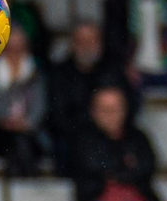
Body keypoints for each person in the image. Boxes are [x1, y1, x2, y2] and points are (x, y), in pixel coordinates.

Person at [73, 86, 167, 201]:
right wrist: (126, 168)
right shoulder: (84, 139)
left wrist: (115, 173)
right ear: (94, 112)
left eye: (115, 109)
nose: (111, 116)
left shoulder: (138, 137)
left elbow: (147, 167)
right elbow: (93, 167)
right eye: (105, 110)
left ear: (124, 110)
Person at [49, 20, 132, 177]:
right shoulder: (59, 74)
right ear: (72, 44)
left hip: (113, 137)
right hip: (75, 139)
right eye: (81, 40)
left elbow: (130, 107)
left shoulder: (114, 70)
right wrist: (94, 122)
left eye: (91, 40)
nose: (87, 45)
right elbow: (58, 116)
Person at [0, 25, 49, 178]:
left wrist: (26, 123)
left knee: (21, 141)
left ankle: (18, 184)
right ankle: (25, 183)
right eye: (11, 48)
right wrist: (13, 83)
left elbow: (39, 108)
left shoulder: (37, 75)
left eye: (20, 48)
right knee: (17, 142)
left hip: (29, 132)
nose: (15, 53)